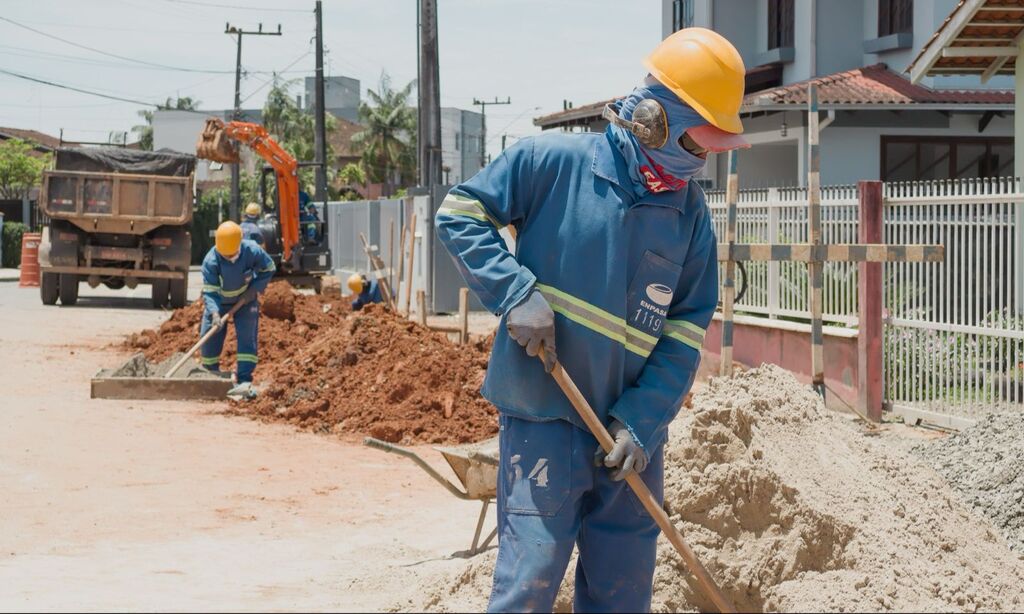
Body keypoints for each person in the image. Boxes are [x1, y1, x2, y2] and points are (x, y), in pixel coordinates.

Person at [434, 27, 749, 613]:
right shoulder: (549, 164)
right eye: (696, 142)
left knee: (622, 590)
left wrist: (643, 422)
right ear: (654, 118)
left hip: (630, 437)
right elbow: (459, 213)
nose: (700, 160)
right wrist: (513, 292)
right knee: (530, 579)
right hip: (546, 415)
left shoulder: (689, 216)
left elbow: (684, 330)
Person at [200, 221, 276, 398]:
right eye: (224, 255)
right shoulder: (211, 261)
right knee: (209, 337)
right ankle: (210, 375)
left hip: (245, 301)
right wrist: (215, 313)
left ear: (239, 244)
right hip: (219, 303)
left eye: (231, 254)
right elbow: (210, 292)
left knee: (247, 338)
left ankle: (244, 380)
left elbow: (269, 268)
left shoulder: (252, 251)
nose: (228, 257)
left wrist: (254, 289)